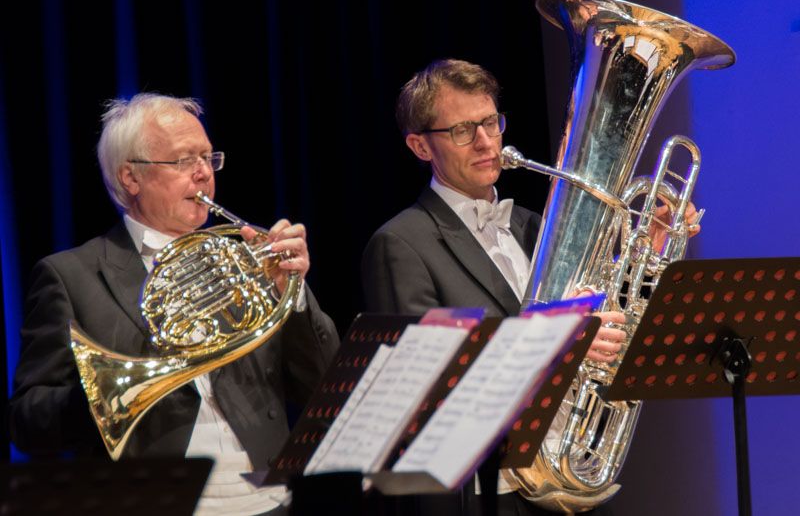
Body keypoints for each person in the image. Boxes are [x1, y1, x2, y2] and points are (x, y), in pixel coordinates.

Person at [361, 59, 700, 515]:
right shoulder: (401, 243)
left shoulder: (532, 227)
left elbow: (608, 334)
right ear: (421, 146)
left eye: (489, 122)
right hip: (489, 494)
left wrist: (644, 259)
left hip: (570, 478)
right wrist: (561, 341)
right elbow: (426, 382)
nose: (485, 142)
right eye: (462, 130)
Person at [9, 93, 339, 515]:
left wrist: (289, 295)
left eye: (208, 158)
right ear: (132, 178)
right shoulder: (70, 276)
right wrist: (103, 396)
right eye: (184, 160)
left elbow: (324, 388)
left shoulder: (247, 261)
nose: (204, 173)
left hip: (269, 499)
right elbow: (27, 422)